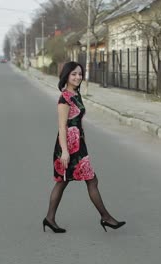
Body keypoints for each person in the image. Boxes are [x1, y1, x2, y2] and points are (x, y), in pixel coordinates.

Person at [44, 61, 125, 233]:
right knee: (77, 181)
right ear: (66, 76)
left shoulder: (76, 94)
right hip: (68, 147)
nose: (78, 77)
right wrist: (65, 151)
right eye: (73, 74)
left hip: (78, 145)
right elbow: (62, 126)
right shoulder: (64, 98)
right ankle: (105, 217)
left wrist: (83, 141)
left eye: (80, 74)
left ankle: (50, 218)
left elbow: (78, 123)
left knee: (71, 182)